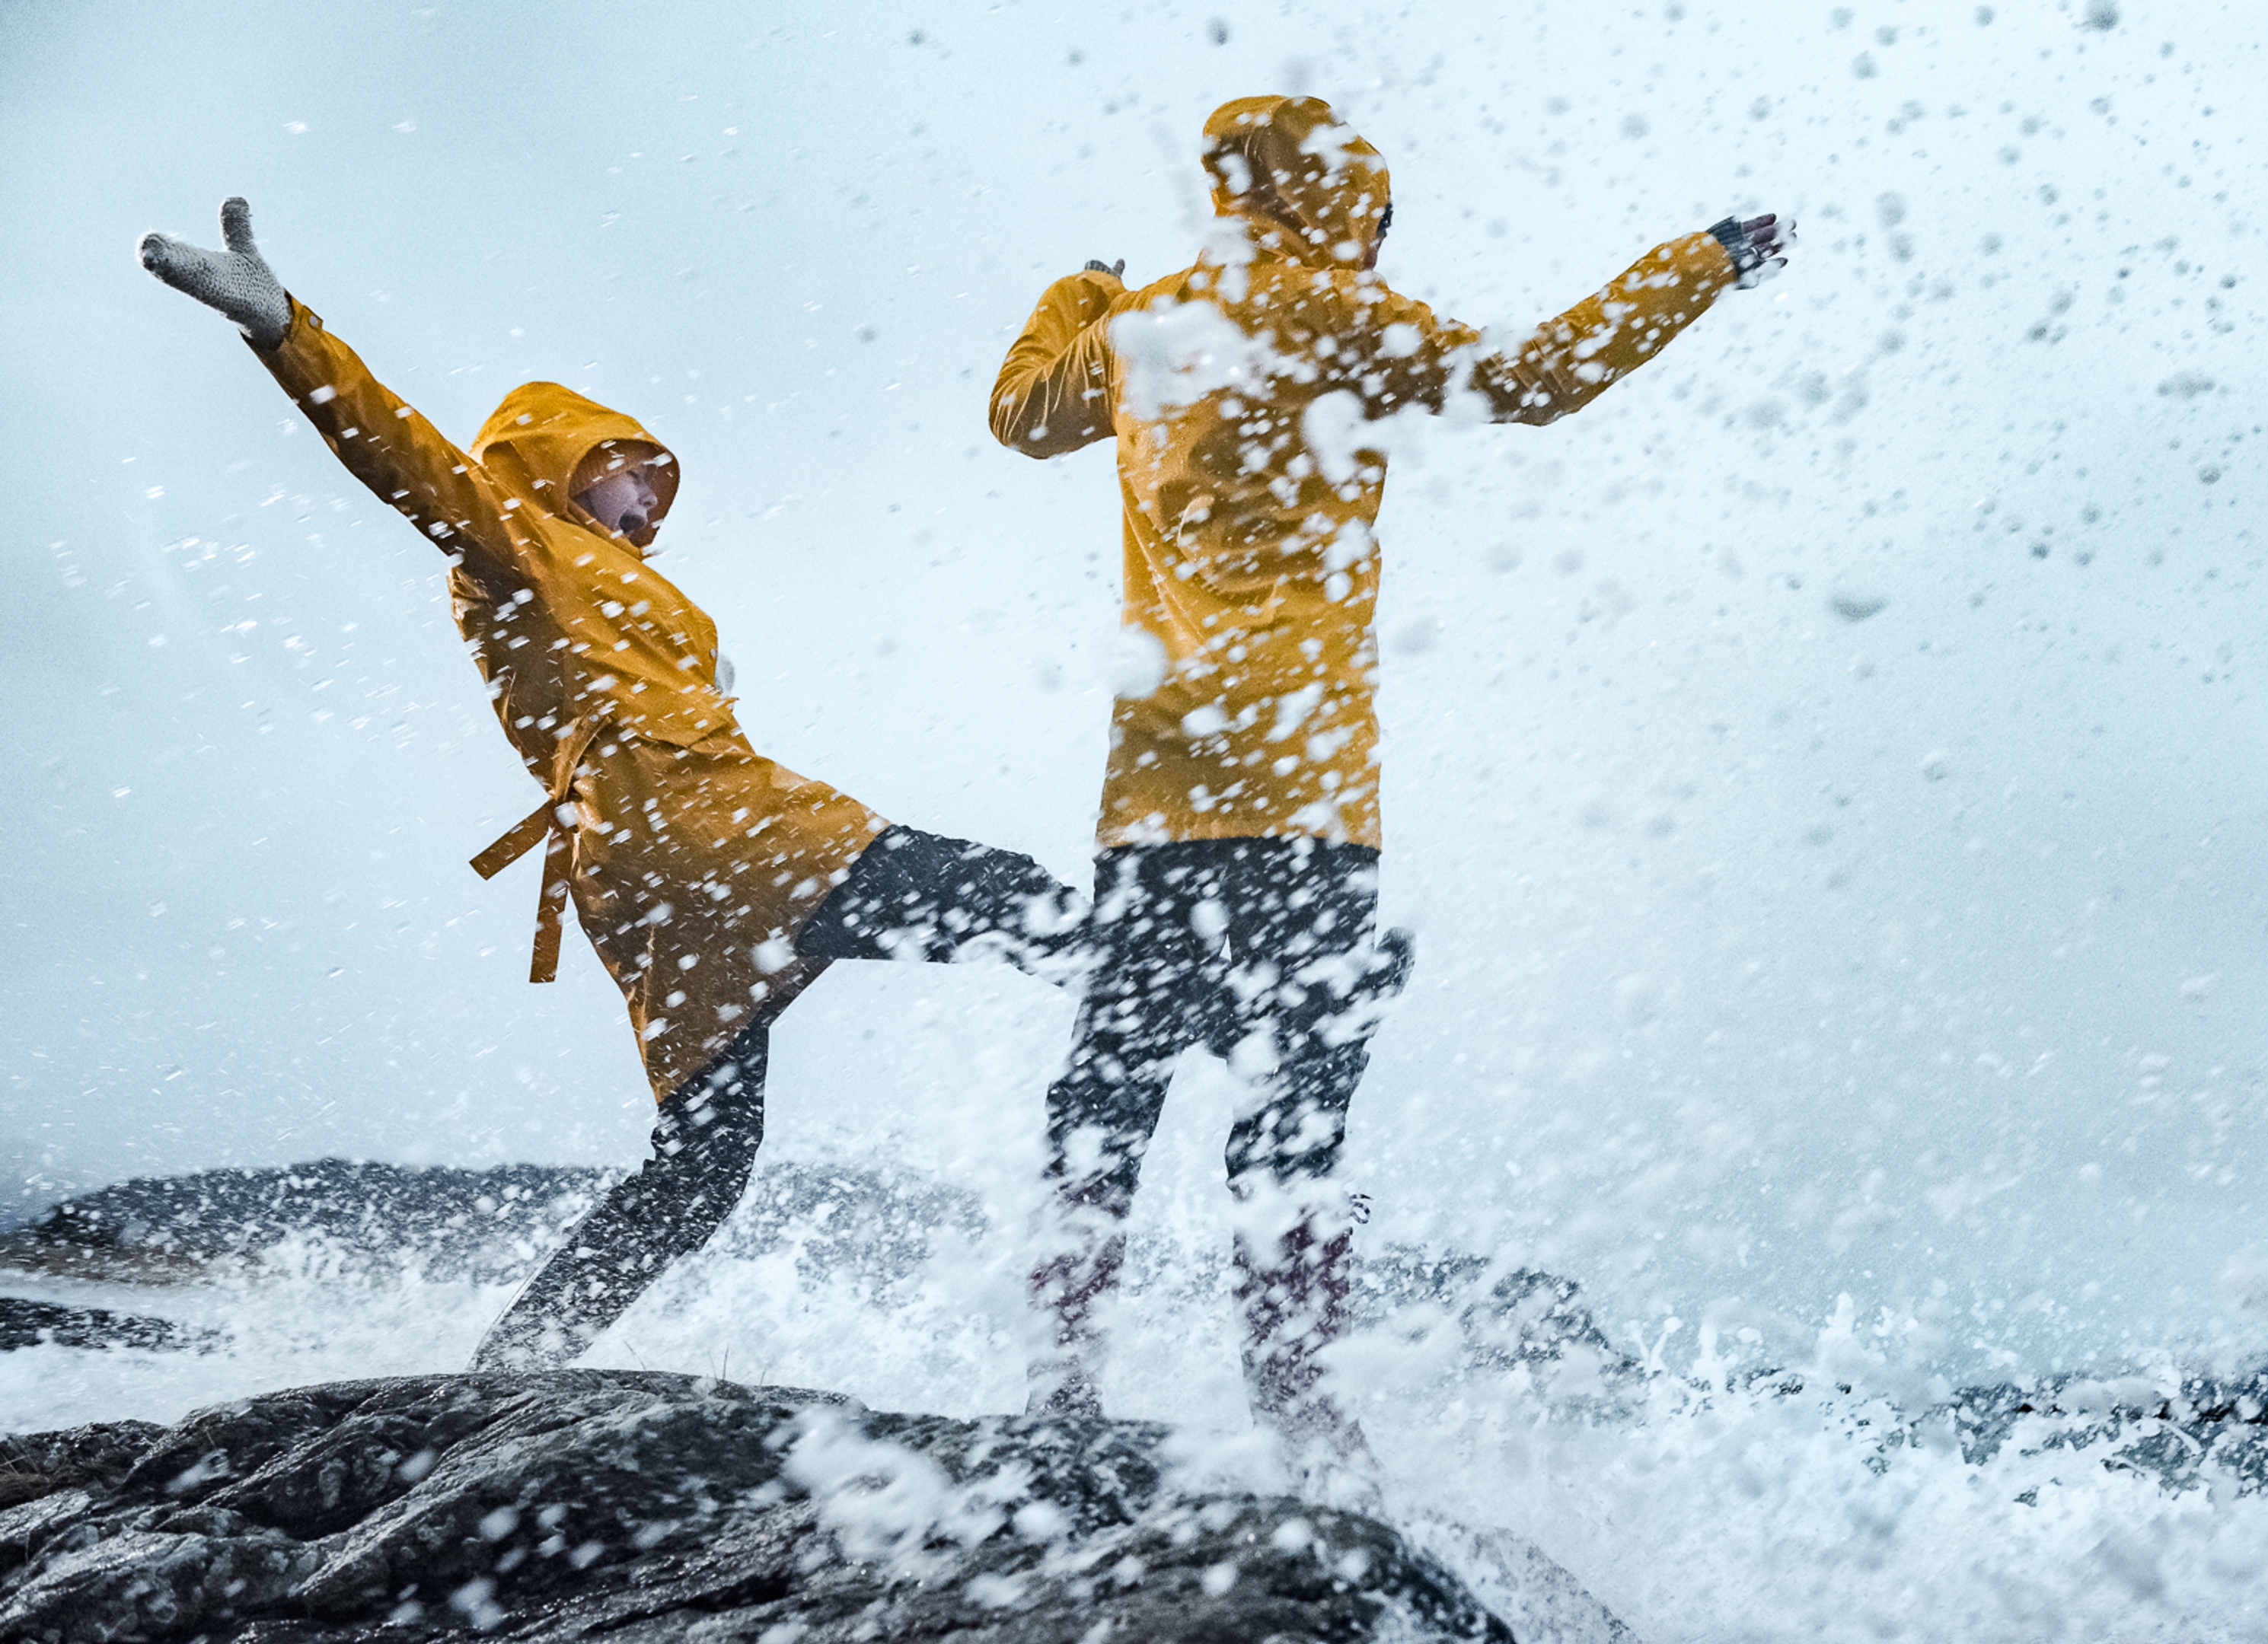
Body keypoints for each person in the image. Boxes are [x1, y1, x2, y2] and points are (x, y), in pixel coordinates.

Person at [138, 198, 1087, 1372]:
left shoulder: (582, 581)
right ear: (574, 463)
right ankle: (1197, 1001)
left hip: (638, 876)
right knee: (1009, 894)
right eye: (637, 472)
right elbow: (406, 459)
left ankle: (515, 1365)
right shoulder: (516, 540)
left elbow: (591, 670)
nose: (654, 498)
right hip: (706, 822)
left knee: (699, 1172)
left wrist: (691, 669)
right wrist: (287, 330)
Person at [990, 96, 1789, 1471]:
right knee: (1294, 1103)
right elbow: (1540, 375)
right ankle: (1299, 1410)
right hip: (1305, 788)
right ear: (1336, 199)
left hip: (1156, 791)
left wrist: (1088, 290)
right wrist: (1703, 258)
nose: (1377, 241)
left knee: (1107, 1091)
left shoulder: (1137, 334)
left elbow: (1016, 414)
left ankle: (1058, 1385)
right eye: (1373, 216)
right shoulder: (1331, 312)